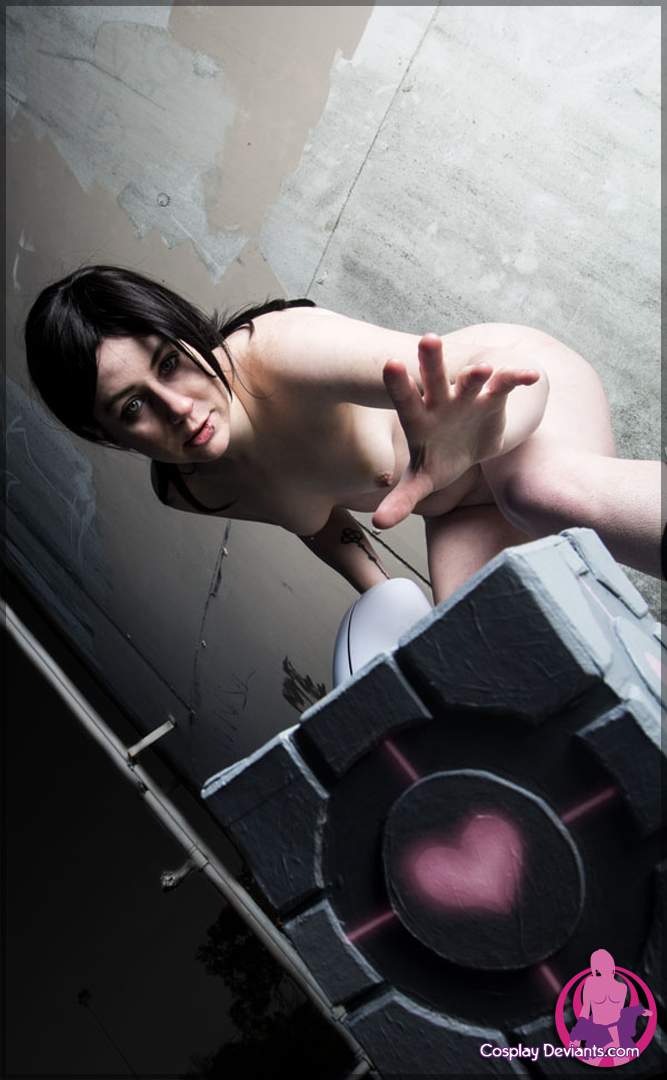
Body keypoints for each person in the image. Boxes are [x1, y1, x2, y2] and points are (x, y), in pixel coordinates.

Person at [24, 265, 664, 606]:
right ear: (105, 432)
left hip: (519, 410)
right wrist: (385, 599)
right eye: (134, 406)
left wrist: (478, 440)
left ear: (187, 335)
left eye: (169, 363)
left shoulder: (279, 352)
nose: (178, 409)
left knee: (539, 491)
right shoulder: (191, 489)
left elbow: (501, 374)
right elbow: (314, 521)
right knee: (484, 644)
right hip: (456, 507)